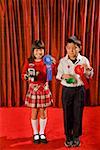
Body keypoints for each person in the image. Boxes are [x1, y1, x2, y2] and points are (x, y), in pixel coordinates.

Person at [56, 36, 93, 147]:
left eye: (75, 48)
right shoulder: (63, 61)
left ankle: (76, 136)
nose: (72, 50)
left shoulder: (84, 60)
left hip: (79, 90)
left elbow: (90, 75)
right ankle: (68, 136)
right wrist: (63, 75)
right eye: (69, 48)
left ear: (79, 48)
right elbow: (58, 75)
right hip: (67, 90)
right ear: (66, 48)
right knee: (67, 113)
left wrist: (88, 70)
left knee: (78, 113)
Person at [22, 40, 56, 144]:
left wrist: (54, 64)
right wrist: (27, 76)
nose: (39, 52)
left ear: (44, 50)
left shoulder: (47, 61)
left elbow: (52, 75)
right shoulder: (29, 62)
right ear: (33, 51)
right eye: (36, 50)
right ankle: (35, 133)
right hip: (33, 89)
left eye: (41, 50)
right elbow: (23, 74)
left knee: (43, 111)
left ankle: (42, 132)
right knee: (34, 111)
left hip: (44, 89)